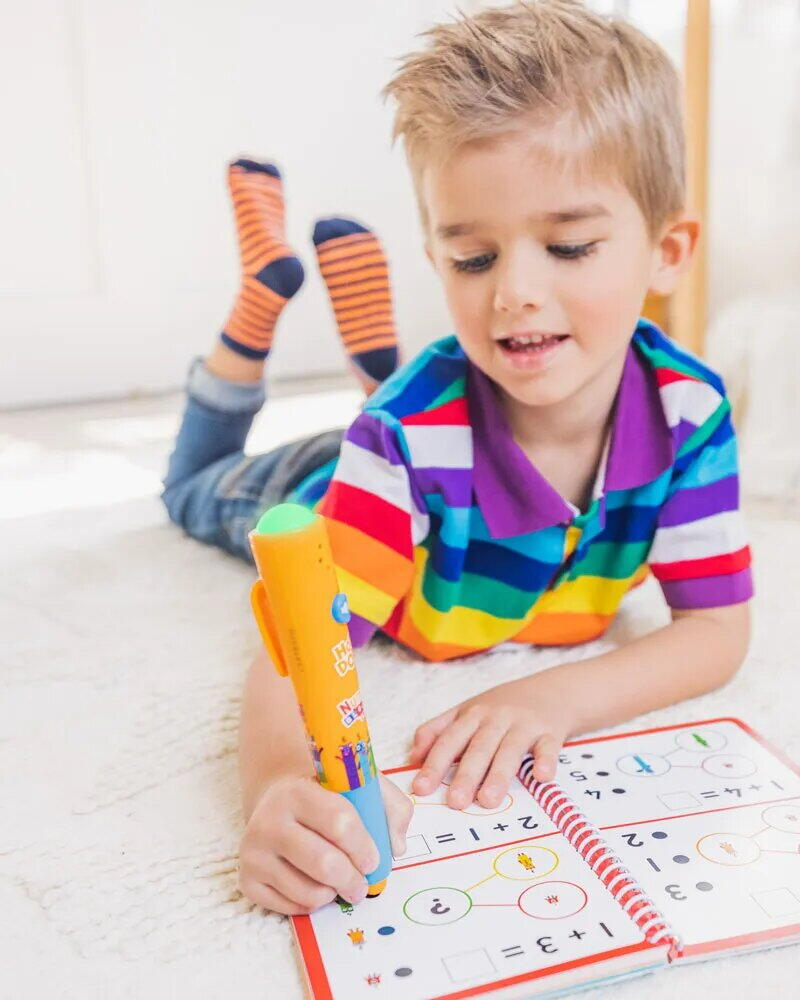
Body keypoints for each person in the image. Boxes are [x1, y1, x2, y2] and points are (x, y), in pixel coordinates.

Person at [162, 0, 752, 916]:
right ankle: (253, 315)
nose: (515, 291)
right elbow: (300, 647)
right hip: (310, 490)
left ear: (667, 252)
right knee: (190, 488)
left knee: (415, 407)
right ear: (438, 258)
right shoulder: (400, 442)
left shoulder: (690, 413)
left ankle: (375, 361)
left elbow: (716, 629)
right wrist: (277, 782)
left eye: (568, 246)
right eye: (473, 259)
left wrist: (552, 698)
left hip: (426, 454)